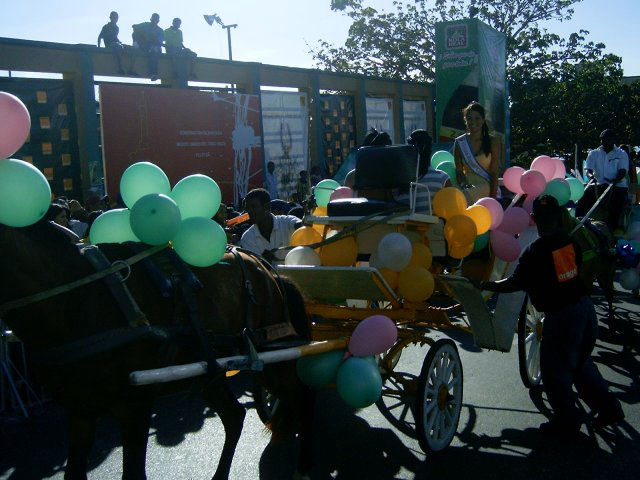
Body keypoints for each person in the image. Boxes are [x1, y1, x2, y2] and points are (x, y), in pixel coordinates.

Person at [477, 195, 624, 435]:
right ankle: (609, 407)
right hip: (585, 309)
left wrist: (485, 285)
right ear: (559, 217)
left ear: (533, 219)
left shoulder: (535, 250)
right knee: (580, 364)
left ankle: (567, 420)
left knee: (553, 370)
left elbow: (515, 283)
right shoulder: (569, 242)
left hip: (563, 316)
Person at [577, 129, 629, 230]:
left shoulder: (621, 153)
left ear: (613, 140)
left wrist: (615, 180)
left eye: (608, 139)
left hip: (617, 185)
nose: (605, 141)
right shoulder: (593, 153)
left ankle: (611, 226)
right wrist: (591, 176)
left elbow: (622, 171)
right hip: (598, 184)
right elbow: (588, 169)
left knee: (617, 200)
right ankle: (579, 221)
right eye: (603, 139)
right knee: (583, 197)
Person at [394, 129, 451, 215]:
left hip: (402, 227)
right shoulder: (442, 179)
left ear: (408, 151)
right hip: (432, 227)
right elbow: (450, 209)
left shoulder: (397, 180)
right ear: (430, 150)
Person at [454, 102, 501, 202]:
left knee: (461, 199)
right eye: (469, 118)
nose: (473, 121)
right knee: (450, 196)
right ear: (465, 120)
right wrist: (463, 184)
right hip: (466, 185)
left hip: (486, 185)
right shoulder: (459, 142)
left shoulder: (493, 141)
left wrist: (492, 199)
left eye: (477, 118)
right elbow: (459, 172)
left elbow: (494, 173)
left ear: (483, 120)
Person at [240, 189, 302, 263]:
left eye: (253, 207)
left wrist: (304, 224)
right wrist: (264, 262)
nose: (249, 211)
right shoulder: (247, 238)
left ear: (267, 207)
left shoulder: (286, 222)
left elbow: (301, 225)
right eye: (247, 208)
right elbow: (255, 270)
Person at [132, 13, 164, 81]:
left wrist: (153, 39)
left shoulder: (160, 30)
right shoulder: (145, 24)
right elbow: (134, 26)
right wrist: (143, 34)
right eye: (153, 18)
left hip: (155, 49)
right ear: (151, 19)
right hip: (144, 46)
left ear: (158, 21)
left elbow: (160, 42)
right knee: (135, 33)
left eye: (156, 19)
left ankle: (153, 73)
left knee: (154, 51)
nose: (154, 20)